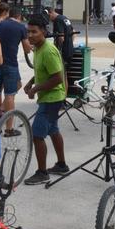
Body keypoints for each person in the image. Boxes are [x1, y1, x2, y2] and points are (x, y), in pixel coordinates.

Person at [23, 14, 69, 185]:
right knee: (53, 130)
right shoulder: (38, 49)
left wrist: (36, 89)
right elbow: (41, 73)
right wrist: (30, 83)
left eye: (34, 32)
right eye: (28, 32)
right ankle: (61, 165)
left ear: (43, 31)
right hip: (48, 97)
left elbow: (57, 77)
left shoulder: (48, 50)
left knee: (37, 135)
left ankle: (42, 173)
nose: (30, 35)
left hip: (52, 98)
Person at [0, 3, 32, 133]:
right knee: (10, 95)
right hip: (11, 64)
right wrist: (31, 47)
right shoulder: (20, 27)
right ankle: (9, 128)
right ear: (19, 16)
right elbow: (26, 48)